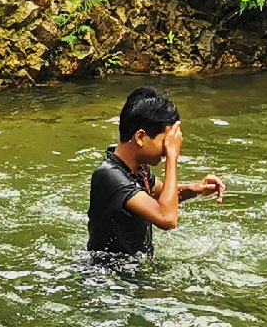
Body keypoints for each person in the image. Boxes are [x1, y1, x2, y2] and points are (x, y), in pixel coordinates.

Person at [86, 86, 225, 257]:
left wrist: (198, 189)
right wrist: (173, 157)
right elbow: (167, 218)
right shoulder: (109, 175)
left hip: (130, 270)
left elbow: (162, 197)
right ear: (140, 137)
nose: (167, 149)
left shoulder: (137, 168)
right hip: (106, 276)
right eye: (166, 142)